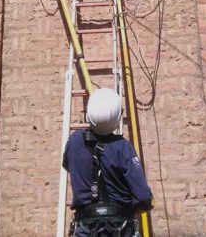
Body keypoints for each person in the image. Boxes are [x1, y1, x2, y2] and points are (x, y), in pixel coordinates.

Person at [63, 88, 153, 237]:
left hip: (85, 227)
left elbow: (69, 166)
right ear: (117, 118)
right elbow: (143, 196)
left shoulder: (74, 142)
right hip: (120, 228)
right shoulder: (123, 148)